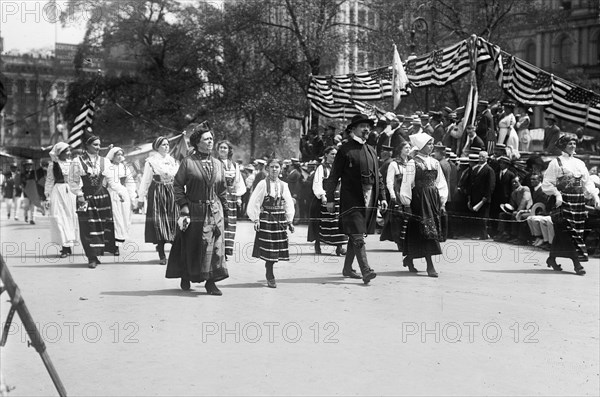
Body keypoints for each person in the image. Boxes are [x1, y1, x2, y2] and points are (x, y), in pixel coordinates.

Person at [166, 123, 229, 294]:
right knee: (192, 246)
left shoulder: (218, 164)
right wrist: (184, 207)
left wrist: (226, 211)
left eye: (211, 139)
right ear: (197, 142)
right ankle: (186, 275)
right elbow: (177, 186)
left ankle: (211, 282)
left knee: (214, 247)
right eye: (207, 139)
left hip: (214, 212)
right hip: (194, 210)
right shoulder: (188, 163)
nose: (210, 141)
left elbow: (222, 190)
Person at [325, 114, 387, 284]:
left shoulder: (371, 150)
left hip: (369, 199)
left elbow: (378, 177)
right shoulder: (345, 150)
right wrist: (329, 198)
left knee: (356, 234)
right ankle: (366, 270)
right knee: (357, 234)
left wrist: (382, 196)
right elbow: (333, 176)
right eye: (362, 126)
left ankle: (347, 268)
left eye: (368, 126)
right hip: (351, 199)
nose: (367, 129)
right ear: (353, 129)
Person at [542, 135, 600, 276]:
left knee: (571, 231)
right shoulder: (555, 163)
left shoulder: (580, 163)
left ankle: (551, 258)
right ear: (563, 145)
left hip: (578, 202)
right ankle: (577, 264)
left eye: (574, 143)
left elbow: (587, 183)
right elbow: (547, 183)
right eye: (570, 143)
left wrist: (595, 196)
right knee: (568, 232)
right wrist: (557, 194)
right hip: (562, 202)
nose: (573, 146)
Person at [69, 135, 122, 268]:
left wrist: (120, 192)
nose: (98, 147)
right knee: (88, 226)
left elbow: (112, 180)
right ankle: (91, 257)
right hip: (85, 196)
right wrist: (79, 194)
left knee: (102, 226)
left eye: (99, 145)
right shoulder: (77, 161)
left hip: (102, 196)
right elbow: (72, 181)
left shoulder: (105, 161)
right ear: (87, 145)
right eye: (95, 145)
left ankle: (98, 254)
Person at [400, 132, 448, 277]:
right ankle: (429, 265)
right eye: (428, 144)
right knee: (426, 230)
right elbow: (406, 184)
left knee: (422, 229)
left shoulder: (435, 163)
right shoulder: (412, 163)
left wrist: (442, 201)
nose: (431, 146)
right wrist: (406, 203)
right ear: (420, 146)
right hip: (419, 199)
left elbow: (441, 183)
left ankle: (409, 258)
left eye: (432, 144)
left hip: (432, 199)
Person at [247, 158, 295, 288]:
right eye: (272, 167)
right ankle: (270, 273)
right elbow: (255, 202)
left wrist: (290, 220)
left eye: (277, 167)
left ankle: (270, 268)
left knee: (276, 248)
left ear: (280, 169)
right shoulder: (263, 184)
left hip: (279, 218)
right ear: (267, 168)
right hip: (267, 218)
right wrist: (256, 219)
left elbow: (289, 202)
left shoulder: (284, 185)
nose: (274, 169)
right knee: (269, 248)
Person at [137, 136, 179, 265]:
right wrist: (140, 197)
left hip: (171, 193)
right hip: (157, 193)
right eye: (163, 145)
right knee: (159, 222)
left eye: (167, 144)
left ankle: (174, 252)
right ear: (157, 147)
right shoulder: (151, 162)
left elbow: (177, 178)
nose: (166, 147)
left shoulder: (172, 161)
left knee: (173, 222)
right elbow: (146, 180)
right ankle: (161, 252)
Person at [309, 146, 347, 256]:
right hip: (325, 197)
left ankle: (339, 247)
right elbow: (317, 184)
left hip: (338, 198)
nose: (334, 156)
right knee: (323, 222)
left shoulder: (340, 168)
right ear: (326, 155)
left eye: (336, 154)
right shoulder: (322, 168)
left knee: (338, 223)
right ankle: (318, 244)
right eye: (332, 154)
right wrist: (322, 196)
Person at [45, 142, 78, 258]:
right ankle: (64, 246)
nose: (68, 153)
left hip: (71, 192)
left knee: (70, 217)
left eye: (69, 151)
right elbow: (49, 181)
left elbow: (77, 180)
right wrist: (48, 197)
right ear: (59, 153)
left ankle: (68, 245)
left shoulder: (73, 164)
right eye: (65, 151)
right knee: (59, 218)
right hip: (58, 191)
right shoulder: (53, 165)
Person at [216, 140, 247, 260]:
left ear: (229, 150)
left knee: (229, 224)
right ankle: (218, 249)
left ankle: (226, 250)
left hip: (231, 197)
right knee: (219, 222)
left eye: (225, 148)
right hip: (218, 197)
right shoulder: (214, 162)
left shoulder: (234, 165)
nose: (222, 150)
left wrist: (238, 197)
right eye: (221, 148)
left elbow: (238, 182)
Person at [106, 147, 138, 256]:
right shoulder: (108, 167)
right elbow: (109, 182)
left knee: (125, 218)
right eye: (117, 155)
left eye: (121, 154)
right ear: (112, 156)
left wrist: (132, 197)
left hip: (124, 194)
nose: (119, 157)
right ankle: (115, 246)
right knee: (116, 218)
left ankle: (120, 240)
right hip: (112, 193)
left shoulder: (125, 167)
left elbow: (130, 182)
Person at [381, 140, 411, 253]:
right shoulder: (394, 164)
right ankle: (399, 241)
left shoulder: (411, 163)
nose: (408, 150)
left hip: (408, 194)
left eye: (409, 148)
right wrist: (393, 195)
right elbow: (389, 181)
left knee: (408, 217)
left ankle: (406, 240)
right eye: (406, 148)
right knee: (397, 220)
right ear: (400, 150)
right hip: (397, 194)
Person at [20, 159, 43, 224]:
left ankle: (32, 219)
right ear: (25, 166)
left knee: (33, 206)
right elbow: (22, 182)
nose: (29, 167)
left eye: (30, 165)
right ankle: (26, 215)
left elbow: (38, 181)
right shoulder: (22, 174)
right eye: (27, 165)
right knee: (26, 206)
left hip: (33, 192)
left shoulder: (34, 173)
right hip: (26, 193)